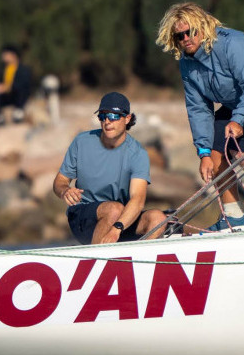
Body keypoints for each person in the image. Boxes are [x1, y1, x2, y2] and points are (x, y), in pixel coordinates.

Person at [156, 2, 244, 230]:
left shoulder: (232, 44)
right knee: (214, 151)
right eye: (179, 36)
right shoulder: (187, 64)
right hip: (240, 100)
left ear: (202, 27)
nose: (185, 39)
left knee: (241, 146)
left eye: (190, 31)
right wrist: (202, 151)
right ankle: (234, 216)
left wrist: (239, 119)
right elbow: (198, 108)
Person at [53, 92, 167, 244]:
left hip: (119, 221)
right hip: (83, 215)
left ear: (127, 118)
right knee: (114, 209)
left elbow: (138, 200)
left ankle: (136, 262)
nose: (107, 122)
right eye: (102, 116)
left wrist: (116, 229)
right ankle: (96, 259)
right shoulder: (82, 141)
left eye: (113, 116)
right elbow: (60, 181)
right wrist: (65, 191)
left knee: (158, 218)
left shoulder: (138, 153)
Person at [0, 44, 31, 125]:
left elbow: (24, 84)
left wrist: (6, 87)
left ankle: (19, 111)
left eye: (5, 54)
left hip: (17, 97)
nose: (3, 56)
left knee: (21, 90)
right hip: (6, 96)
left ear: (13, 55)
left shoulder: (23, 69)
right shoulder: (3, 69)